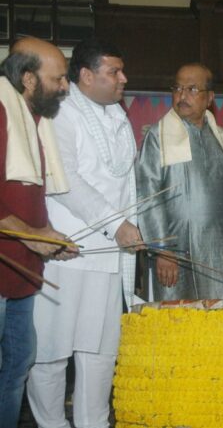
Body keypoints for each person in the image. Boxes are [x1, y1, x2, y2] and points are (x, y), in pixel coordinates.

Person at [24, 38, 142, 428]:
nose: (124, 78)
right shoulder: (60, 111)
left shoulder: (116, 116)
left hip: (109, 258)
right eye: (115, 71)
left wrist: (128, 227)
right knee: (51, 353)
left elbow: (127, 183)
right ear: (87, 76)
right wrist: (117, 223)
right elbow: (65, 181)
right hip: (66, 252)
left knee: (101, 353)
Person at [0, 36, 76, 428]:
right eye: (59, 78)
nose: (65, 86)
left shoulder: (35, 120)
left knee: (15, 369)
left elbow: (26, 201)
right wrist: (28, 235)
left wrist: (48, 236)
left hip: (21, 275)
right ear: (29, 79)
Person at [136, 63, 223, 300]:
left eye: (192, 89)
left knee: (220, 324)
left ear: (210, 98)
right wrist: (163, 250)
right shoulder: (158, 136)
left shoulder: (221, 138)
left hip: (218, 255)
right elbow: (147, 197)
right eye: (177, 88)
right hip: (176, 256)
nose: (182, 96)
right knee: (178, 326)